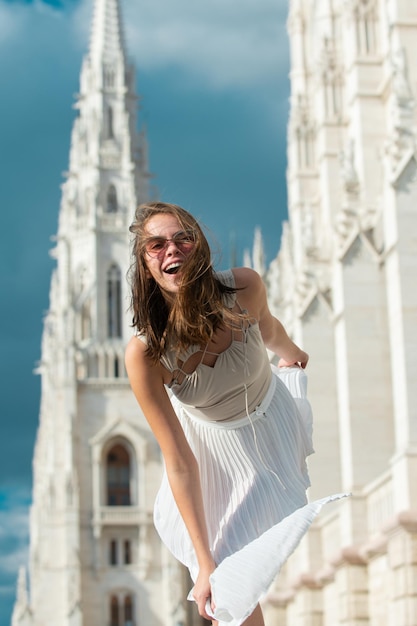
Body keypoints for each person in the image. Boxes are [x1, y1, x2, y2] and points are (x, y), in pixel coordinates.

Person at [125, 201, 340, 626]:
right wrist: (204, 561)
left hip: (269, 422)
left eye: (182, 238)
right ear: (145, 263)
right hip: (212, 456)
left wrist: (293, 354)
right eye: (156, 245)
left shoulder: (244, 286)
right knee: (224, 586)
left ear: (199, 245)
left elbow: (269, 327)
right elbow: (179, 459)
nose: (172, 250)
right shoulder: (145, 354)